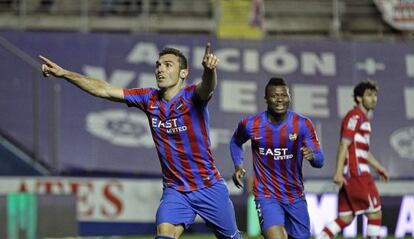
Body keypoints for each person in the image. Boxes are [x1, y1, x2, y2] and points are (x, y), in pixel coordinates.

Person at [39, 43, 242, 239]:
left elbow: (207, 86)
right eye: (158, 65)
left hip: (208, 187)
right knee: (164, 233)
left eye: (167, 65)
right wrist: (65, 74)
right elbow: (105, 89)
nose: (160, 69)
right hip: (176, 191)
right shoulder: (148, 98)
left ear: (183, 73)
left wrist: (209, 71)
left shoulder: (192, 97)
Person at [230, 77, 324, 239]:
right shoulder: (251, 124)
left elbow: (320, 161)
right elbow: (235, 142)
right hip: (266, 195)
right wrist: (238, 165)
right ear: (266, 99)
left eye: (284, 95)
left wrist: (312, 156)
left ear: (289, 97)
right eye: (274, 96)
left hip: (295, 196)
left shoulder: (302, 124)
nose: (280, 99)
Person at [316, 80, 390, 239]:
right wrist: (338, 172)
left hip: (351, 173)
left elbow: (362, 151)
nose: (373, 99)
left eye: (375, 95)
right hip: (356, 173)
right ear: (358, 98)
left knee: (346, 218)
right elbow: (344, 144)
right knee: (375, 213)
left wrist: (379, 167)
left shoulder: (363, 118)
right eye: (369, 95)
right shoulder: (355, 117)